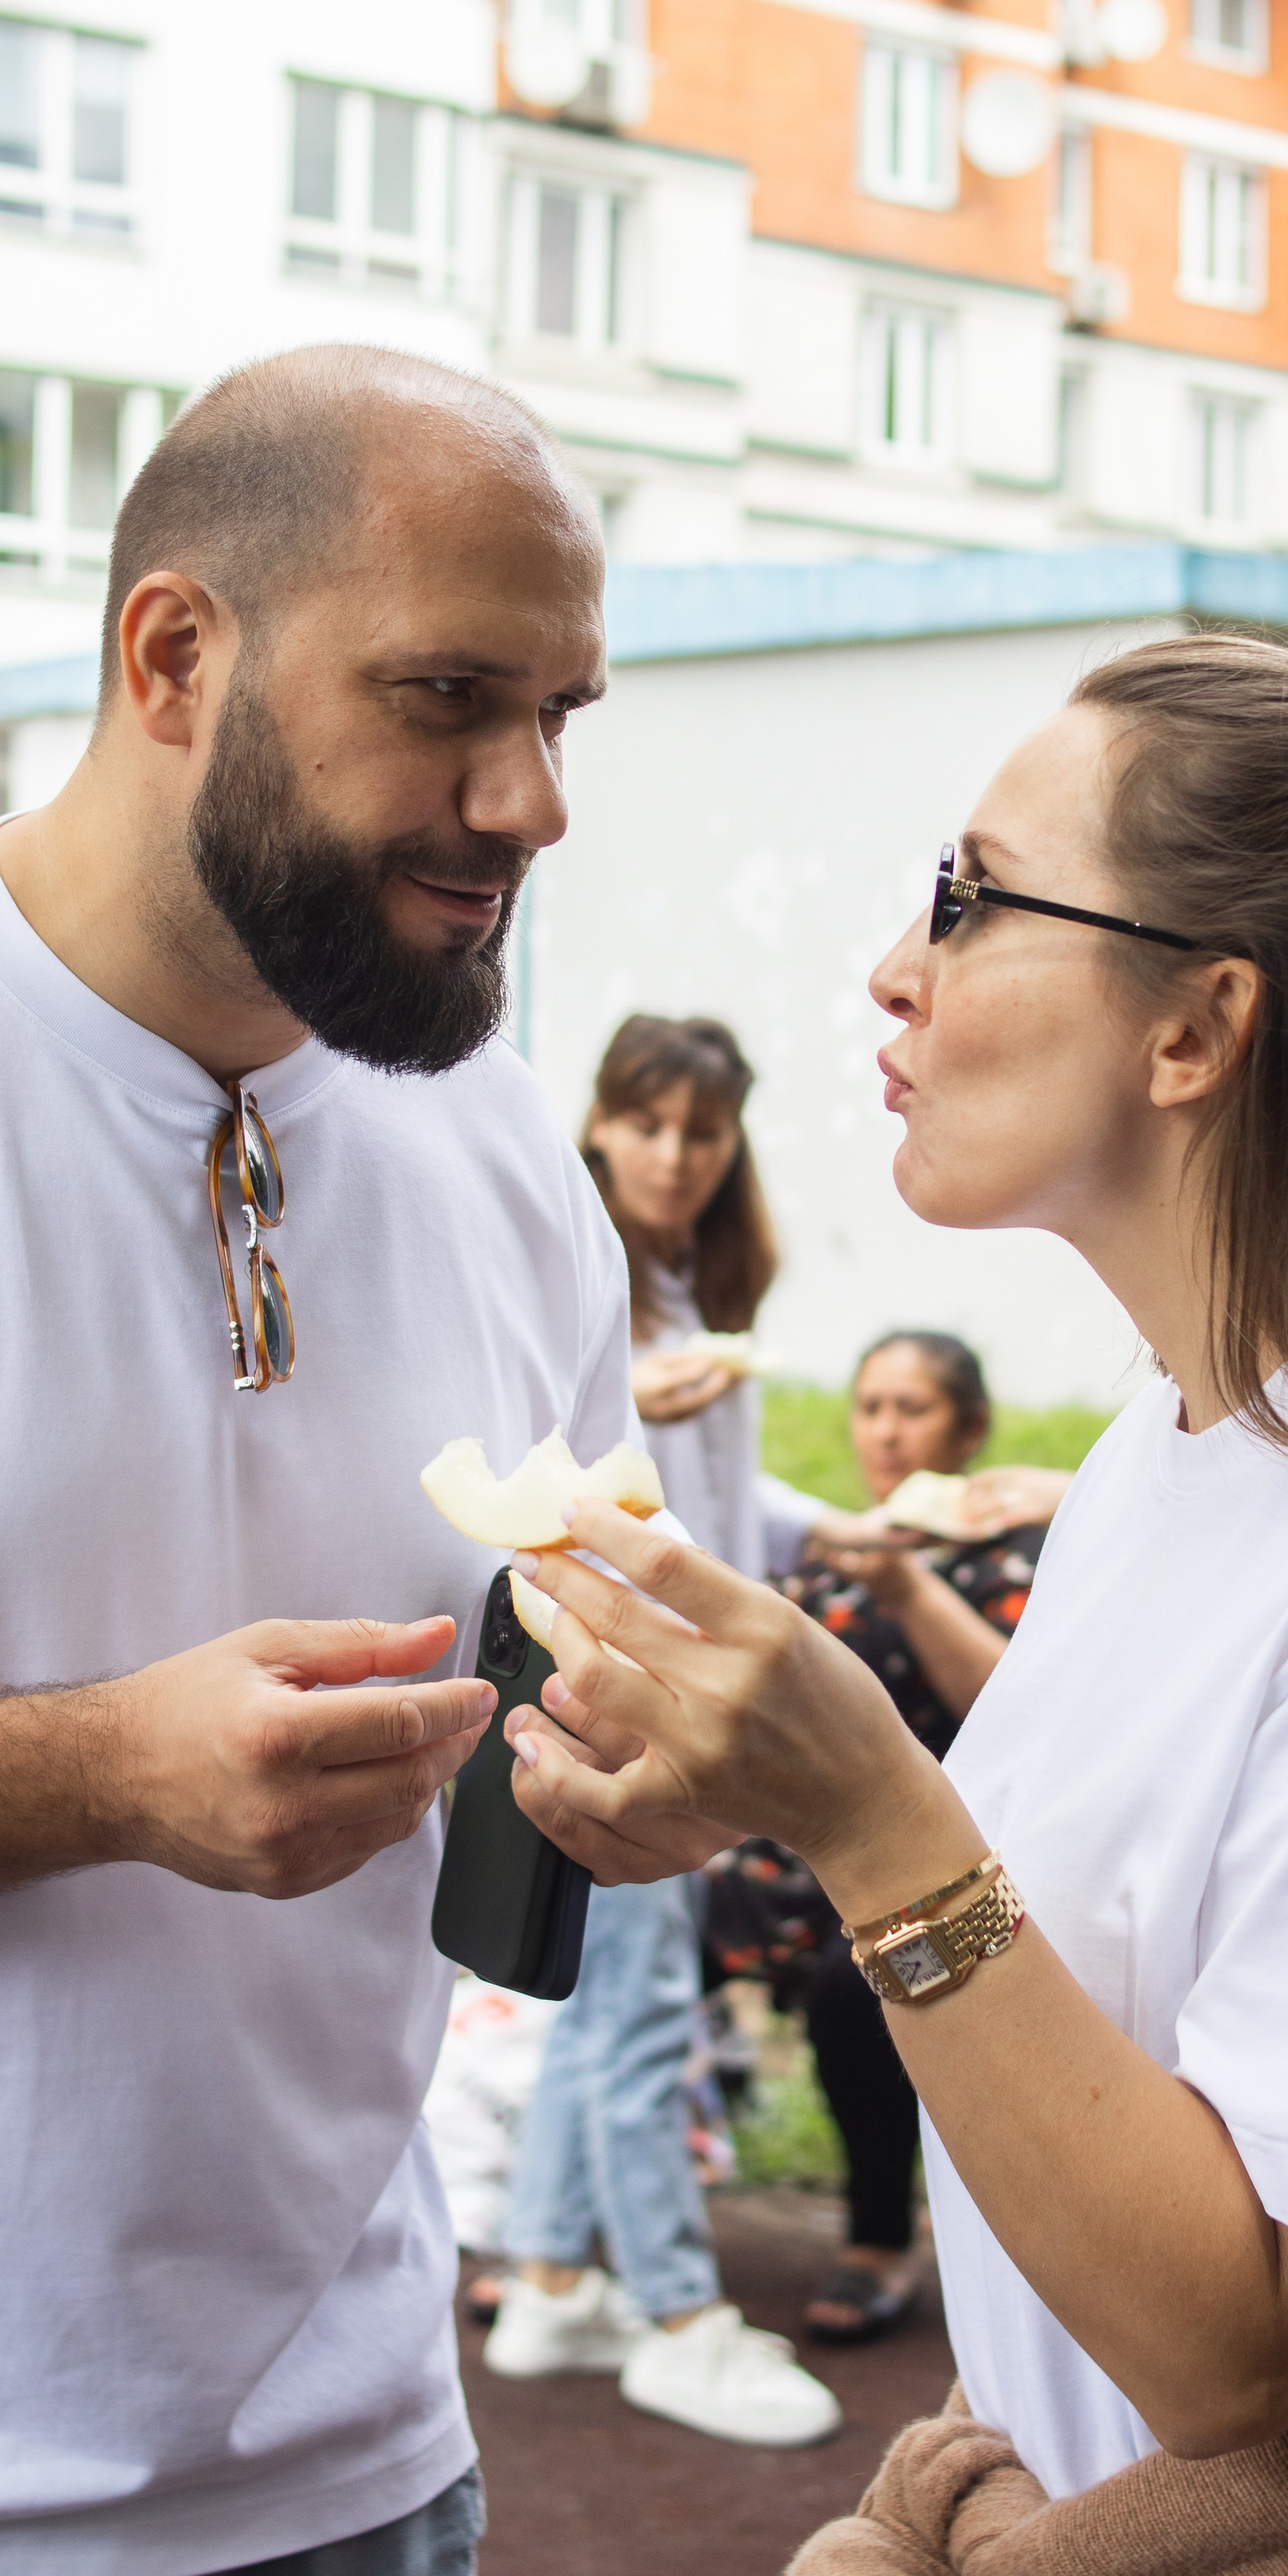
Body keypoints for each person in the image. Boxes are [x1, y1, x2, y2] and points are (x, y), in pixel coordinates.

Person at [506, 639, 1288, 2576]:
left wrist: (871, 1814)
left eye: (967, 898)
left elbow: (1232, 2336)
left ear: (1198, 1027)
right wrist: (763, 1790)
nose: (894, 971)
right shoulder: (1180, 1441)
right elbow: (1091, 1994)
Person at [0, 344, 638, 2576]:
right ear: (175, 655)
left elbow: (572, 1710)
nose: (527, 797)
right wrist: (99, 1770)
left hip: (353, 2494)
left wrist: (642, 1759)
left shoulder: (505, 1151)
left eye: (558, 715)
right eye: (447, 699)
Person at [485, 1015, 841, 2447]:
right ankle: (680, 2316)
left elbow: (720, 1506)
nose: (676, 1156)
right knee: (638, 2006)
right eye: (648, 1125)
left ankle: (550, 2279)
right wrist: (642, 1399)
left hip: (673, 1668)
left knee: (614, 1993)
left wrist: (844, 1532)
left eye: (703, 1131)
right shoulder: (577, 1272)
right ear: (600, 1123)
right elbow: (552, 1485)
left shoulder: (697, 1290)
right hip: (619, 1680)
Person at [781, 1332, 1054, 2344]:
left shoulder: (1021, 1558)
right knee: (636, 1939)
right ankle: (584, 2241)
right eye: (870, 1408)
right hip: (793, 1866)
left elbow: (1014, 1712)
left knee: (847, 1986)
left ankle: (877, 2240)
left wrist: (906, 1588)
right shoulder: (826, 1556)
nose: (886, 1433)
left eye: (913, 1409)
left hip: (955, 1869)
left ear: (969, 1429)